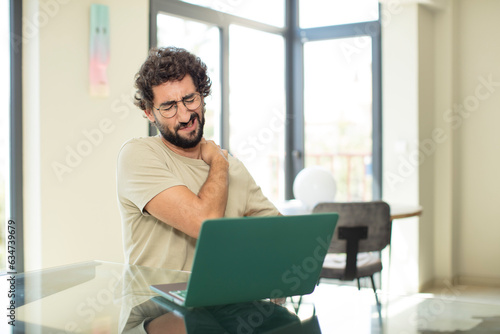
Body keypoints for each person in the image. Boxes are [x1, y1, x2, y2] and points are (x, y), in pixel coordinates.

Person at [117, 47, 281, 271]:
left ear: (202, 96)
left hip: (224, 303)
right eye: (168, 107)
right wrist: (219, 161)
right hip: (156, 305)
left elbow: (280, 235)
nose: (184, 115)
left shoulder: (234, 168)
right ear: (149, 112)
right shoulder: (138, 155)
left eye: (189, 99)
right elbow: (205, 223)